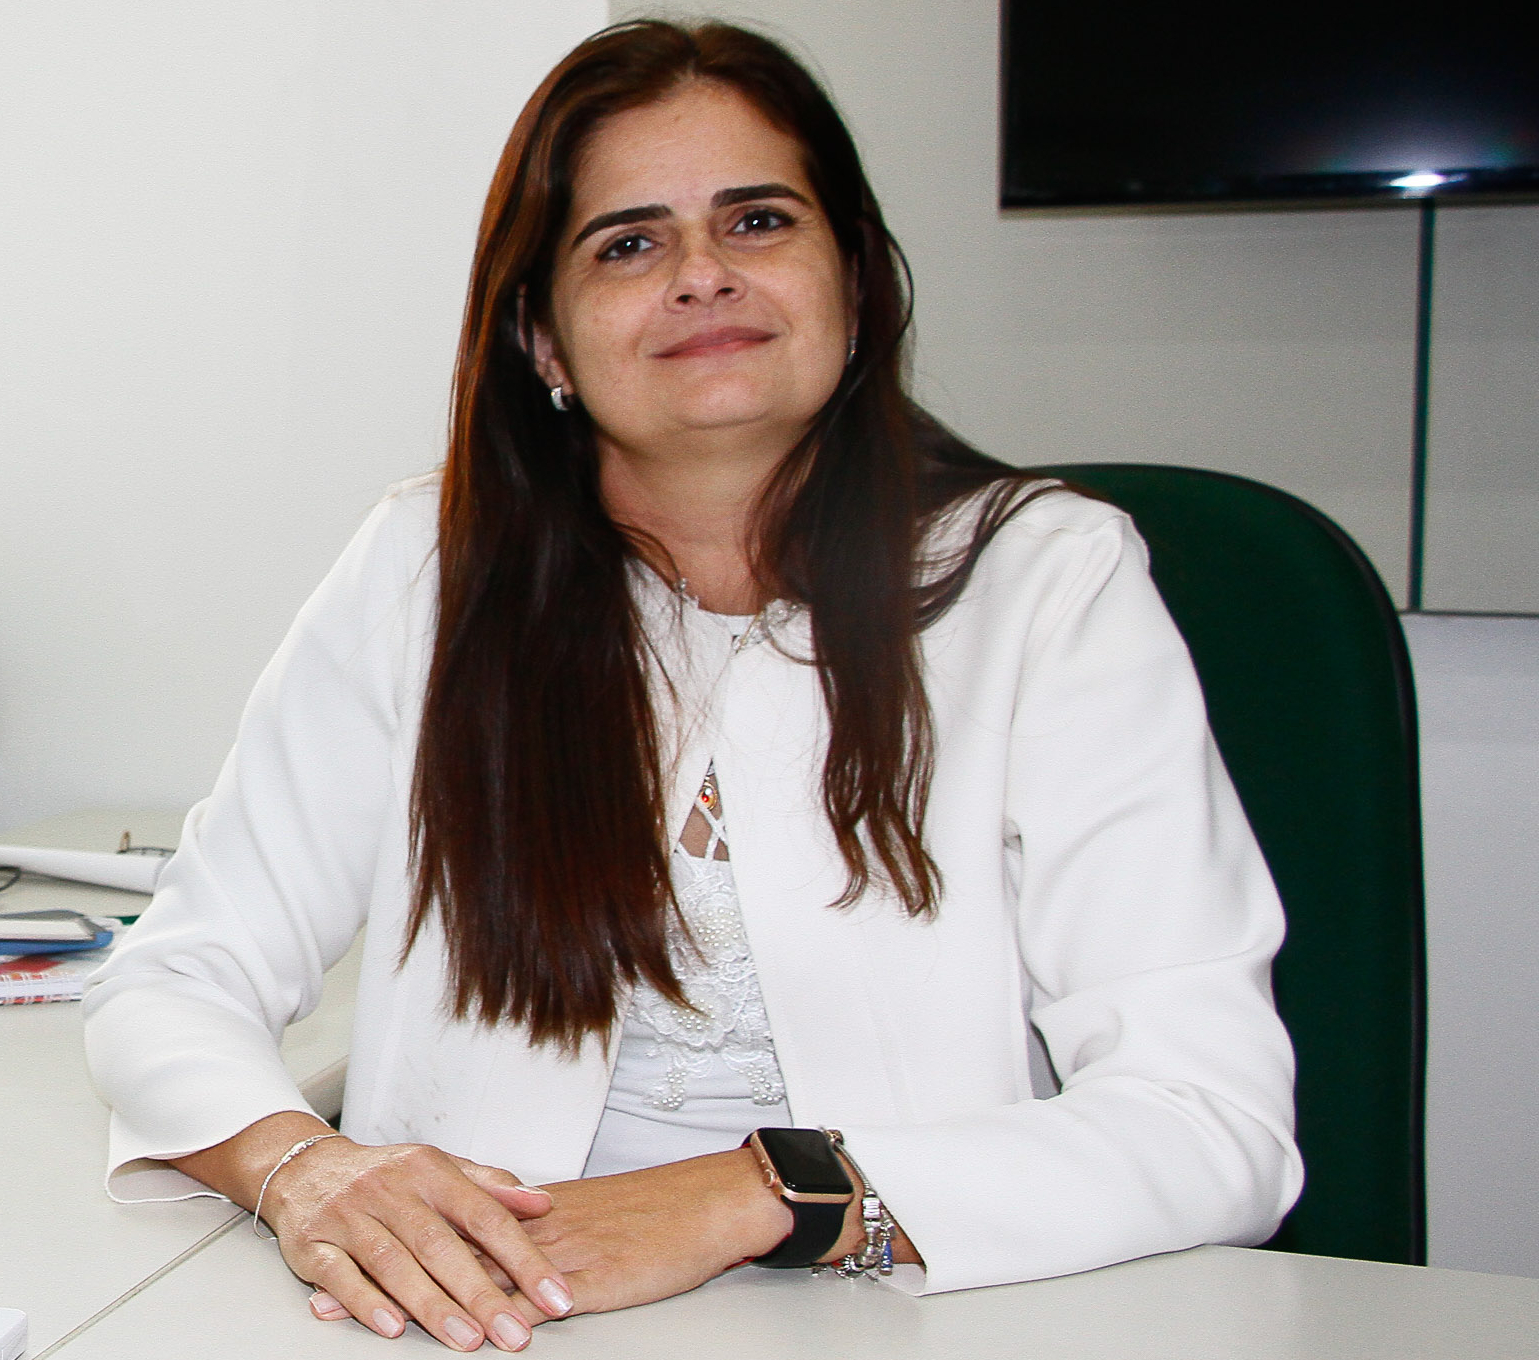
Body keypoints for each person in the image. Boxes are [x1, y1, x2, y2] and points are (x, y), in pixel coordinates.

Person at [83, 18, 1302, 1354]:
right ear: (543, 336)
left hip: (917, 1314)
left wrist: (753, 1193)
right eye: (628, 243)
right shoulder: (428, 570)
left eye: (759, 221)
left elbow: (1213, 1122)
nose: (702, 277)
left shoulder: (1047, 581)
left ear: (855, 279)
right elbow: (177, 976)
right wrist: (302, 1170)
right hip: (474, 1324)